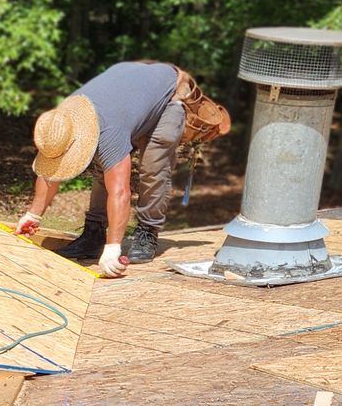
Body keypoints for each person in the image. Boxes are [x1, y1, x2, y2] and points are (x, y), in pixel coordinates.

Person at [15, 61, 231, 277]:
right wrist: (33, 216)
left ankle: (148, 230)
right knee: (104, 165)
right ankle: (94, 234)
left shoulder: (108, 130)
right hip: (132, 93)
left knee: (152, 166)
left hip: (170, 95)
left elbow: (120, 192)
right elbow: (50, 174)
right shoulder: (59, 124)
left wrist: (113, 249)